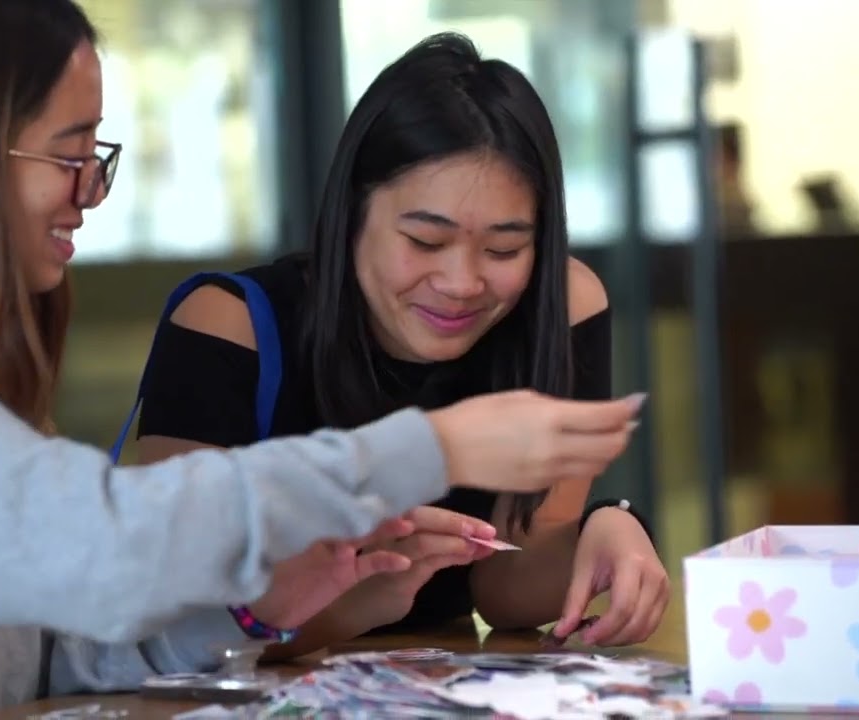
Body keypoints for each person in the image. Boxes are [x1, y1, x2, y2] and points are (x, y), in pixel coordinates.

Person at [0, 3, 643, 719]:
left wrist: (254, 606)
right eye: (69, 150)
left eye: (96, 151)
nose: (89, 188)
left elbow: (49, 647)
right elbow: (108, 550)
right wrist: (426, 445)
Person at [126, 32, 668, 659]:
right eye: (425, 242)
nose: (462, 283)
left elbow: (507, 589)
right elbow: (172, 628)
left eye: (504, 249)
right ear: (352, 211)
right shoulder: (230, 324)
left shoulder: (561, 305)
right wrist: (357, 597)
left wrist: (607, 529)